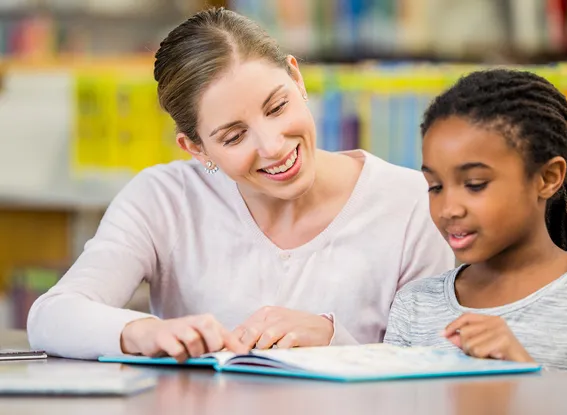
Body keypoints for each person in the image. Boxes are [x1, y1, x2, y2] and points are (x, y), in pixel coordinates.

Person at [27, 8, 453, 361]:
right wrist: (142, 332)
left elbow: (439, 358)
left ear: (297, 78)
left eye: (277, 106)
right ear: (196, 148)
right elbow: (51, 315)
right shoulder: (164, 199)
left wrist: (331, 338)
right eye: (233, 137)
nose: (272, 147)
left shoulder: (410, 202)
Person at [384, 68, 567, 374]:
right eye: (435, 187)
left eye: (475, 184)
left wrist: (523, 373)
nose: (449, 209)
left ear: (547, 178)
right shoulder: (415, 305)